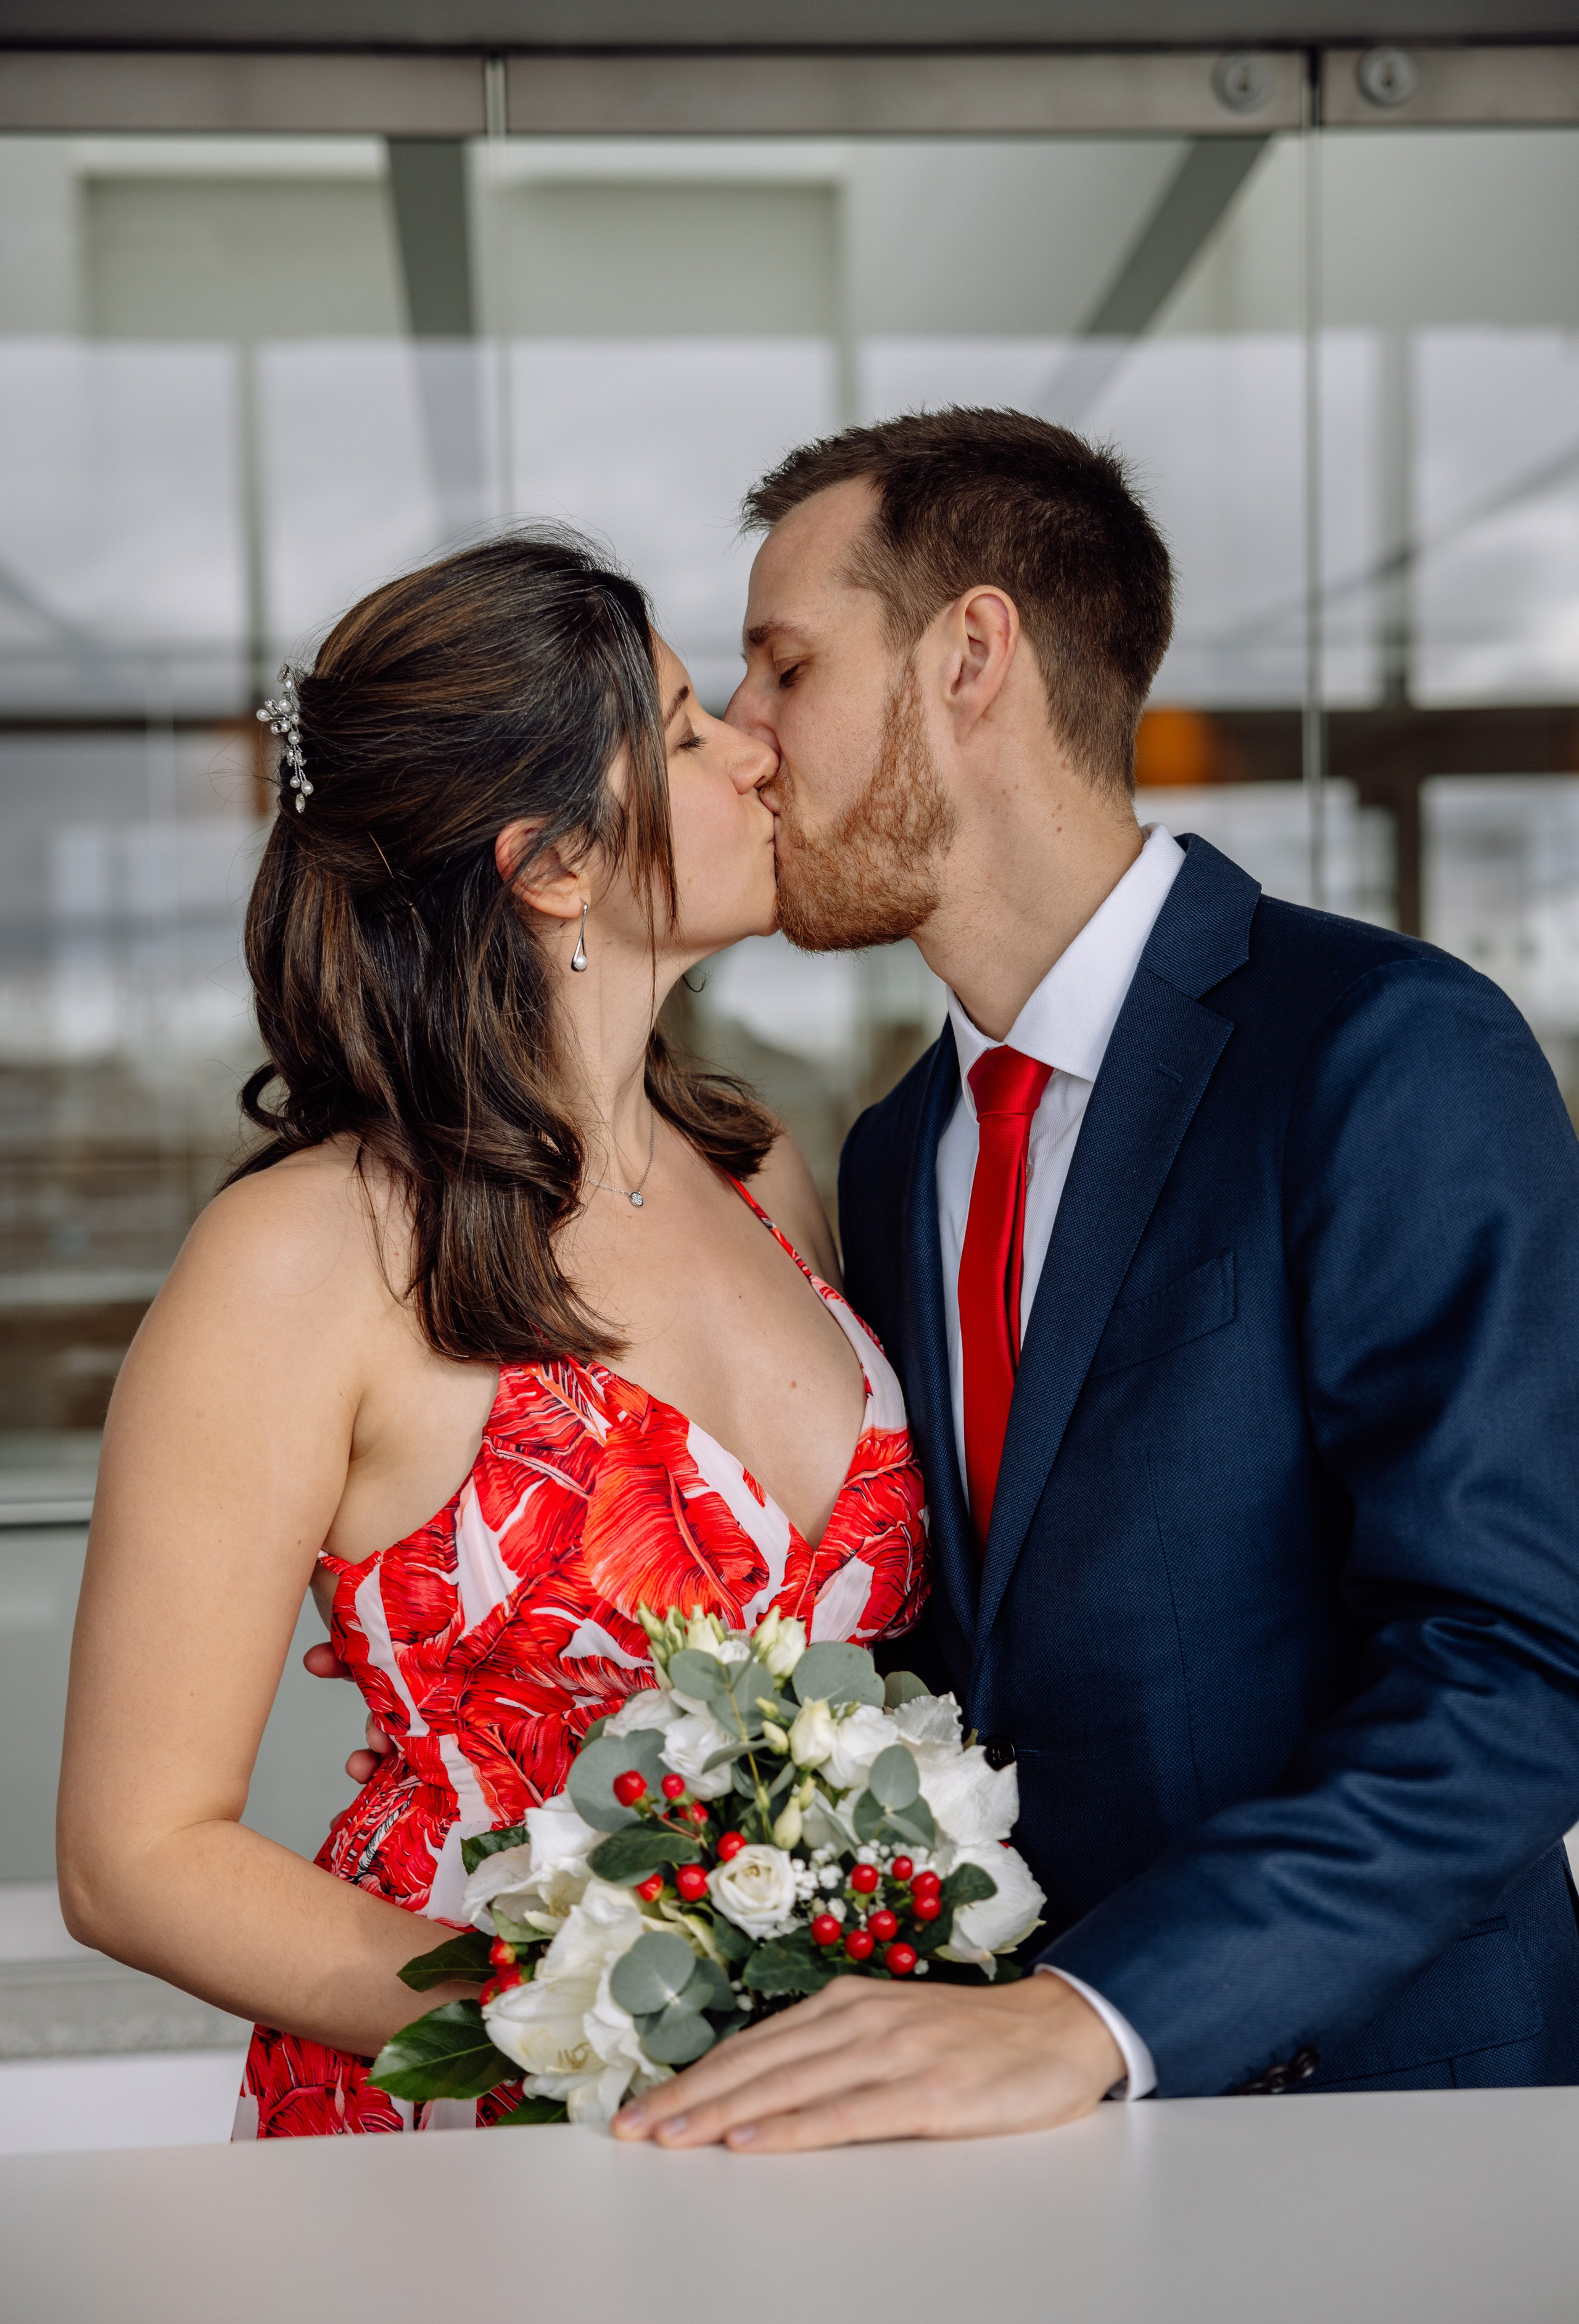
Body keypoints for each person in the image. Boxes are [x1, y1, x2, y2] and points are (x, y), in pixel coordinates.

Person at [609, 406, 1579, 2154]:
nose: (746, 740)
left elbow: (1518, 1661)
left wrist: (1101, 2016)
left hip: (1394, 2133)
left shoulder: (1382, 1050)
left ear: (970, 658)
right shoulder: (896, 1150)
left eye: (786, 666)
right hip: (1014, 2152)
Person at [55, 532, 928, 2139]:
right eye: (687, 734)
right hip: (471, 2116)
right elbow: (136, 1857)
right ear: (554, 867)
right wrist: (593, 2027)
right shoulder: (303, 1257)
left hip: (809, 2102)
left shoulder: (760, 1173)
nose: (756, 750)